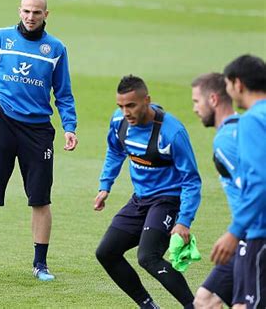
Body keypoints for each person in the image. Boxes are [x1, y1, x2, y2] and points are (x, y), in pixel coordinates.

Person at [0, 0, 78, 282]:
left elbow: (63, 93)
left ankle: (40, 265)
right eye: (26, 11)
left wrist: (70, 127)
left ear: (46, 15)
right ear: (19, 10)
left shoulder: (55, 49)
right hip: (2, 123)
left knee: (40, 199)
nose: (30, 17)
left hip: (38, 130)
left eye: (36, 13)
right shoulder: (1, 38)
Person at [93, 75, 201, 309]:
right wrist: (105, 186)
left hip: (168, 200)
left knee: (147, 257)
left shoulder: (172, 132)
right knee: (106, 252)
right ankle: (148, 306)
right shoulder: (119, 122)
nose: (125, 112)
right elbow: (115, 150)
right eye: (120, 106)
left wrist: (184, 221)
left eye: (131, 105)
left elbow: (191, 180)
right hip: (140, 199)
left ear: (147, 101)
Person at [211, 54, 266, 309]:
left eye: (228, 85)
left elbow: (260, 181)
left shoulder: (252, 120)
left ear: (238, 84)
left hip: (260, 233)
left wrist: (235, 231)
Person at [190, 73, 246, 309]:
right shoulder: (245, 127)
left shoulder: (226, 141)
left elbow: (256, 191)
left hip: (252, 236)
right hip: (246, 234)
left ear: (212, 99)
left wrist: (234, 233)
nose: (194, 109)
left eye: (196, 101)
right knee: (206, 300)